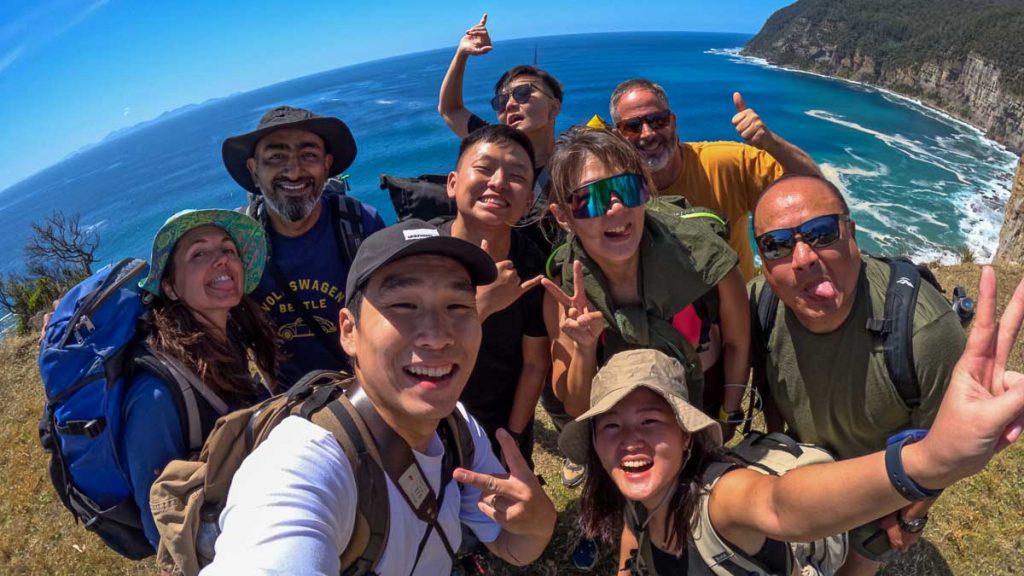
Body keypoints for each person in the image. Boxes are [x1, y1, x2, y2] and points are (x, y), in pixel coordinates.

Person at [564, 264, 1024, 575]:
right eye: (611, 426)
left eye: (649, 422)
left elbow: (778, 504)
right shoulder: (633, 488)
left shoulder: (719, 504)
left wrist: (928, 462)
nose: (630, 443)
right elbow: (632, 533)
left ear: (686, 438)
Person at [201, 219, 556, 575]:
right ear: (349, 331)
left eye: (458, 306)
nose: (437, 336)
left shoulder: (456, 428)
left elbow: (514, 547)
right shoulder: (301, 467)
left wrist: (539, 521)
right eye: (403, 305)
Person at [748, 174, 968, 575]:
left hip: (880, 495)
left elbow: (946, 448)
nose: (803, 258)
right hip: (800, 471)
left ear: (852, 233)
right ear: (763, 263)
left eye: (821, 233)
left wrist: (911, 516)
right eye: (777, 245)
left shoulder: (924, 333)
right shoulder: (760, 304)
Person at [542, 127, 750, 434]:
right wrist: (585, 349)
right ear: (562, 216)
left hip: (703, 396)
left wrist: (729, 412)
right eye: (591, 198)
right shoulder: (565, 292)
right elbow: (575, 407)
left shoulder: (701, 255)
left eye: (628, 189)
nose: (617, 207)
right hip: (623, 420)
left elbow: (737, 342)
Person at [126, 209, 278, 549]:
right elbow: (160, 527)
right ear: (171, 287)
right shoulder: (158, 394)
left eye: (228, 250)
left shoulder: (233, 340)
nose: (222, 260)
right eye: (199, 254)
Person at [222, 105, 386, 387]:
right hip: (286, 405)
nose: (295, 172)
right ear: (254, 170)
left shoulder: (360, 225)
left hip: (363, 393)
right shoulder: (239, 243)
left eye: (308, 155)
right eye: (276, 157)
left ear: (326, 164)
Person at [609, 79, 820, 280]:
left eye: (658, 121)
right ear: (617, 136)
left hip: (741, 309)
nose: (647, 134)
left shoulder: (725, 163)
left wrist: (770, 142)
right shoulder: (611, 192)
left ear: (673, 122)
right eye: (633, 126)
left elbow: (815, 189)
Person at [440, 124, 548, 465]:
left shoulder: (531, 264)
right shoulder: (421, 256)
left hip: (500, 420)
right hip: (428, 418)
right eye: (484, 169)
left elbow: (534, 363)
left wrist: (512, 438)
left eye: (516, 176)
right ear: (453, 183)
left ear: (529, 201)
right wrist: (480, 306)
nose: (499, 182)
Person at [438, 14, 564, 251]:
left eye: (524, 93)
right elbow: (450, 109)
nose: (510, 104)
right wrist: (461, 53)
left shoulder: (575, 161)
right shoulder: (489, 144)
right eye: (501, 101)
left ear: (554, 107)